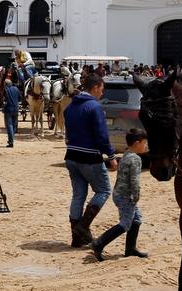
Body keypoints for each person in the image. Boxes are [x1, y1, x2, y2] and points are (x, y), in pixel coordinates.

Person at [63, 72, 117, 247]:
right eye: (101, 89)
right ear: (95, 88)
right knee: (103, 191)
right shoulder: (94, 107)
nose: (102, 93)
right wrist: (111, 156)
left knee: (78, 195)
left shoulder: (71, 106)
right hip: (89, 157)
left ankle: (76, 238)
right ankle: (83, 227)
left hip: (71, 155)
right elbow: (102, 135)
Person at [90, 128, 149, 261]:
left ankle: (130, 249)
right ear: (137, 143)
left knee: (137, 219)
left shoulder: (126, 155)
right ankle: (99, 244)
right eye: (145, 143)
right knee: (125, 223)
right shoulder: (135, 159)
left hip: (119, 194)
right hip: (126, 196)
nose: (146, 146)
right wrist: (136, 196)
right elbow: (135, 180)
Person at [1, 76, 21, 146]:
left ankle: (11, 142)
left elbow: (2, 100)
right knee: (14, 126)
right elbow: (20, 99)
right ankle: (11, 140)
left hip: (8, 109)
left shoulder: (5, 90)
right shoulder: (16, 89)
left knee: (9, 126)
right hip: (16, 109)